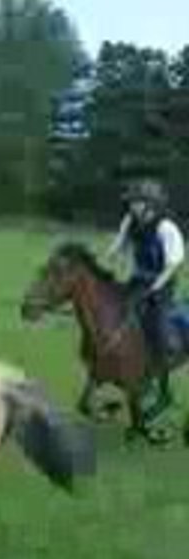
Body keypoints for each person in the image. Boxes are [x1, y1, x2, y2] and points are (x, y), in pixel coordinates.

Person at [104, 177, 185, 423]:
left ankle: (164, 356)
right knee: (112, 310)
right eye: (132, 203)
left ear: (151, 204)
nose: (133, 207)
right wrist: (106, 261)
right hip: (138, 280)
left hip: (162, 282)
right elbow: (117, 246)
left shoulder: (166, 228)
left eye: (138, 203)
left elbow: (174, 262)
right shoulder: (130, 222)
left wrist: (157, 287)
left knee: (155, 319)